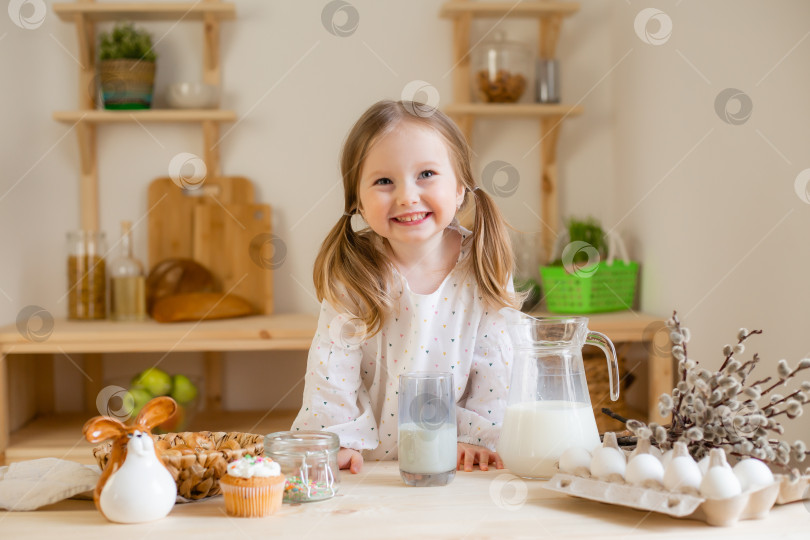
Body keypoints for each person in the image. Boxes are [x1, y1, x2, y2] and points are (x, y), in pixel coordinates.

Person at [291, 99, 523, 474]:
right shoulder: (354, 270)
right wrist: (336, 440)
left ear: (461, 187)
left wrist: (477, 436)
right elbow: (332, 369)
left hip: (459, 460)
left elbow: (495, 367)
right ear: (359, 203)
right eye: (384, 181)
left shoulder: (482, 264)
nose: (407, 196)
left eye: (426, 174)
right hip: (368, 465)